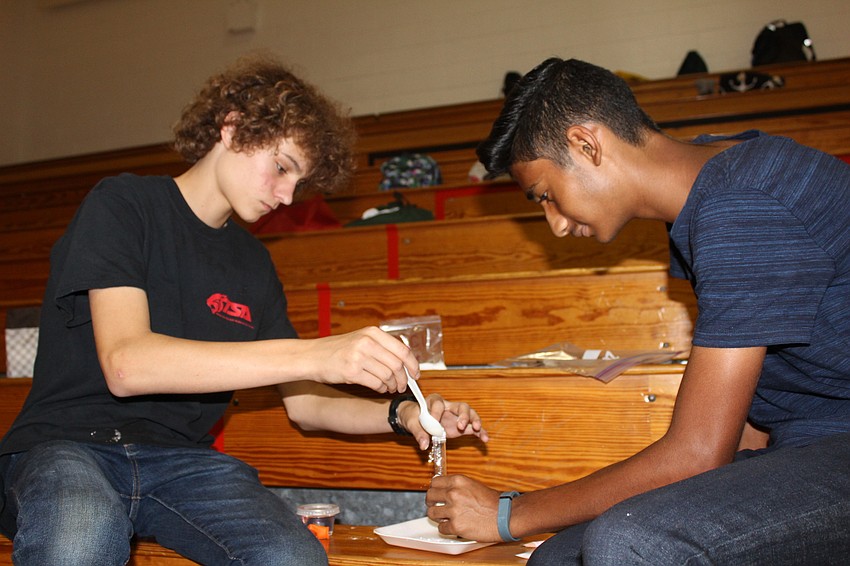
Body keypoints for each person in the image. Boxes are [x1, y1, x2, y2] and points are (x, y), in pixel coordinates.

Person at [0, 55, 488, 566]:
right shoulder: (123, 204)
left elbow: (305, 405)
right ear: (232, 128)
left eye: (299, 182)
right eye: (282, 167)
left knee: (292, 557)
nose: (288, 196)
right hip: (70, 445)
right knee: (80, 537)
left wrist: (405, 413)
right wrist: (316, 354)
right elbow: (127, 364)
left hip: (180, 461)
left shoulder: (253, 262)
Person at [425, 57, 850, 564]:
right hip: (810, 442)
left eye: (547, 196)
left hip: (835, 441)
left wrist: (508, 514)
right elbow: (760, 390)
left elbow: (699, 453)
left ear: (586, 144)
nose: (555, 224)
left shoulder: (741, 204)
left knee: (630, 543)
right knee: (561, 557)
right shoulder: (709, 184)